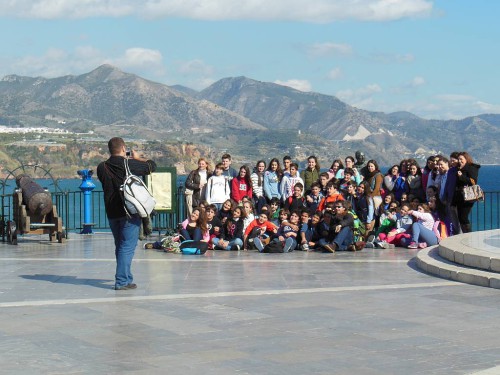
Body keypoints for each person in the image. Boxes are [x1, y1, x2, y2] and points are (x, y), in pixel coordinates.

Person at [97, 137, 157, 291]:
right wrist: (139, 158)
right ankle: (122, 281)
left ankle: (127, 277)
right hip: (129, 212)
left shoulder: (101, 167)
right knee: (127, 247)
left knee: (120, 246)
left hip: (111, 212)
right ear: (124, 148)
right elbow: (152, 166)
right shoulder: (128, 164)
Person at [452, 151, 481, 233]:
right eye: (458, 159)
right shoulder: (459, 168)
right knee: (461, 217)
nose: (460, 161)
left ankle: (468, 234)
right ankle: (465, 235)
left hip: (468, 196)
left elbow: (473, 181)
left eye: (461, 159)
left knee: (464, 217)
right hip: (460, 197)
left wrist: (461, 176)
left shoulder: (471, 167)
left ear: (466, 159)